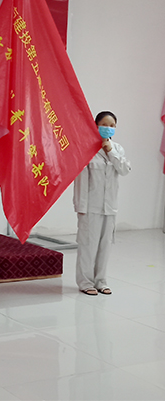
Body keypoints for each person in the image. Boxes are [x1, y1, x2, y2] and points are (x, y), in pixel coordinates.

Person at [73, 111, 130, 296]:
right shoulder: (86, 149)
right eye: (104, 124)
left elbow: (124, 169)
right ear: (96, 126)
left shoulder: (117, 149)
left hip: (110, 206)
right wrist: (80, 207)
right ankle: (85, 282)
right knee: (88, 245)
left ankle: (101, 281)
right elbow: (80, 181)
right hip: (90, 206)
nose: (108, 128)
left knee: (105, 245)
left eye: (112, 125)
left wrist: (110, 151)